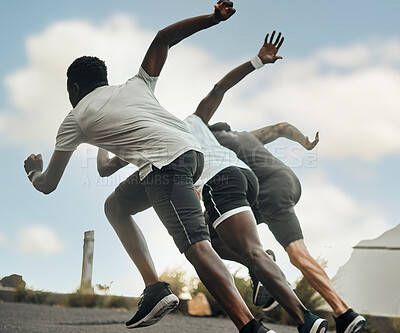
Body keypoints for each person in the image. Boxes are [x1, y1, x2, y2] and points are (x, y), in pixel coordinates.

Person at [23, 3, 275, 333]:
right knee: (115, 205)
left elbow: (48, 184)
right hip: (190, 155)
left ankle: (252, 328)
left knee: (196, 247)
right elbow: (163, 39)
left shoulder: (74, 118)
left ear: (73, 90)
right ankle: (155, 288)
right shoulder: (134, 87)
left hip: (165, 166)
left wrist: (32, 169)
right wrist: (213, 19)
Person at [98, 32, 330, 333]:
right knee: (214, 243)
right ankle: (278, 289)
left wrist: (102, 134)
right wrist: (257, 61)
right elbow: (220, 89)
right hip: (243, 177)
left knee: (236, 250)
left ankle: (302, 318)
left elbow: (106, 167)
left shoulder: (169, 131)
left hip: (218, 181)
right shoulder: (193, 123)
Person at [209, 121, 366, 333]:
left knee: (296, 253)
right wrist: (305, 143)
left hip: (267, 189)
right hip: (287, 181)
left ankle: (344, 312)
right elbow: (281, 128)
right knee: (219, 230)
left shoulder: (212, 140)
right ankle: (262, 268)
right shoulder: (247, 135)